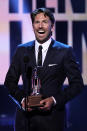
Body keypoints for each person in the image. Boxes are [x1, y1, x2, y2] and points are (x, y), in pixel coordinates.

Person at [4, 8, 84, 131]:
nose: (40, 26)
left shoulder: (65, 51)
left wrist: (54, 100)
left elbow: (77, 84)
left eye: (45, 22)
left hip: (52, 121)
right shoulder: (22, 50)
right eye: (37, 22)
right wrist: (22, 100)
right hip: (24, 122)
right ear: (33, 26)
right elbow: (9, 81)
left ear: (52, 26)